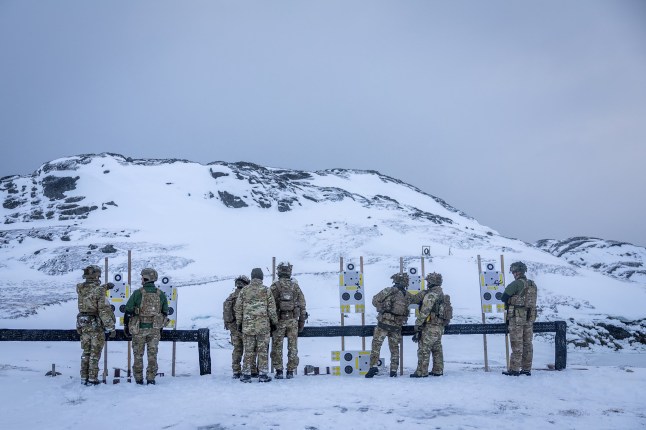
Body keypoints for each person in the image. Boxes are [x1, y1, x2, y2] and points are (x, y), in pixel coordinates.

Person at [365, 273, 422, 378]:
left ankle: (373, 366)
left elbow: (374, 300)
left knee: (376, 345)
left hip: (383, 324)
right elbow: (417, 300)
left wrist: (382, 307)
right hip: (396, 326)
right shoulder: (407, 295)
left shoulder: (389, 290)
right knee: (394, 349)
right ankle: (393, 370)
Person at [124, 268, 169, 385]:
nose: (141, 279)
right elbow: (165, 312)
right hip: (154, 330)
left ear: (145, 278)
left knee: (138, 355)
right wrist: (159, 327)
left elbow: (128, 310)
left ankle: (138, 379)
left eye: (142, 277)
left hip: (138, 329)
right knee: (152, 355)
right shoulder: (161, 294)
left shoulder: (138, 293)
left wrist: (126, 326)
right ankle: (151, 378)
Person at [234, 268, 278, 383]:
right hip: (263, 327)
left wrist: (239, 323)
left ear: (252, 277)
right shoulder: (266, 290)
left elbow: (238, 308)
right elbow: (272, 309)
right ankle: (263, 374)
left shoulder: (244, 290)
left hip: (247, 326)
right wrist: (274, 322)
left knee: (248, 350)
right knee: (262, 350)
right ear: (261, 277)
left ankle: (246, 374)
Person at [75, 265, 116, 386]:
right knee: (95, 353)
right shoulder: (99, 290)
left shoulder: (81, 288)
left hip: (83, 323)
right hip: (95, 325)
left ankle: (84, 377)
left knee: (86, 352)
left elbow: (91, 291)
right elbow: (103, 310)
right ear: (97, 276)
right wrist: (111, 327)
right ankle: (93, 379)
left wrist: (105, 287)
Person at [270, 262, 307, 379]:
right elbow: (302, 305)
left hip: (278, 321)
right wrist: (301, 323)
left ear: (279, 271)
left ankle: (279, 371)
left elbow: (269, 306)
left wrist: (271, 322)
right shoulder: (295, 286)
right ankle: (290, 371)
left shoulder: (274, 286)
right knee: (293, 346)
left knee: (277, 346)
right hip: (292, 321)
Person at [501, 261, 538, 376]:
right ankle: (526, 369)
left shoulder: (516, 284)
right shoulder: (532, 284)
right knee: (528, 344)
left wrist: (511, 300)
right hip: (529, 317)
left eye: (513, 272)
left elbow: (503, 297)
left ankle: (514, 369)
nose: (513, 274)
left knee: (517, 344)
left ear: (517, 272)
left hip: (517, 318)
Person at [411, 272, 450, 377]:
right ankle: (438, 370)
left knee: (424, 349)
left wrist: (417, 324)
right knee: (437, 349)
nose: (427, 283)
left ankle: (421, 372)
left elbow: (425, 311)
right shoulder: (441, 294)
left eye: (428, 281)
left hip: (430, 326)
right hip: (439, 327)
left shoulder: (431, 295)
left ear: (432, 282)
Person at [223, 275, 252, 378]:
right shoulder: (246, 296)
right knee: (249, 349)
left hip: (234, 328)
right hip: (245, 326)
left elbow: (227, 314)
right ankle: (249, 370)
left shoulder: (230, 297)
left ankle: (236, 371)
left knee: (237, 349)